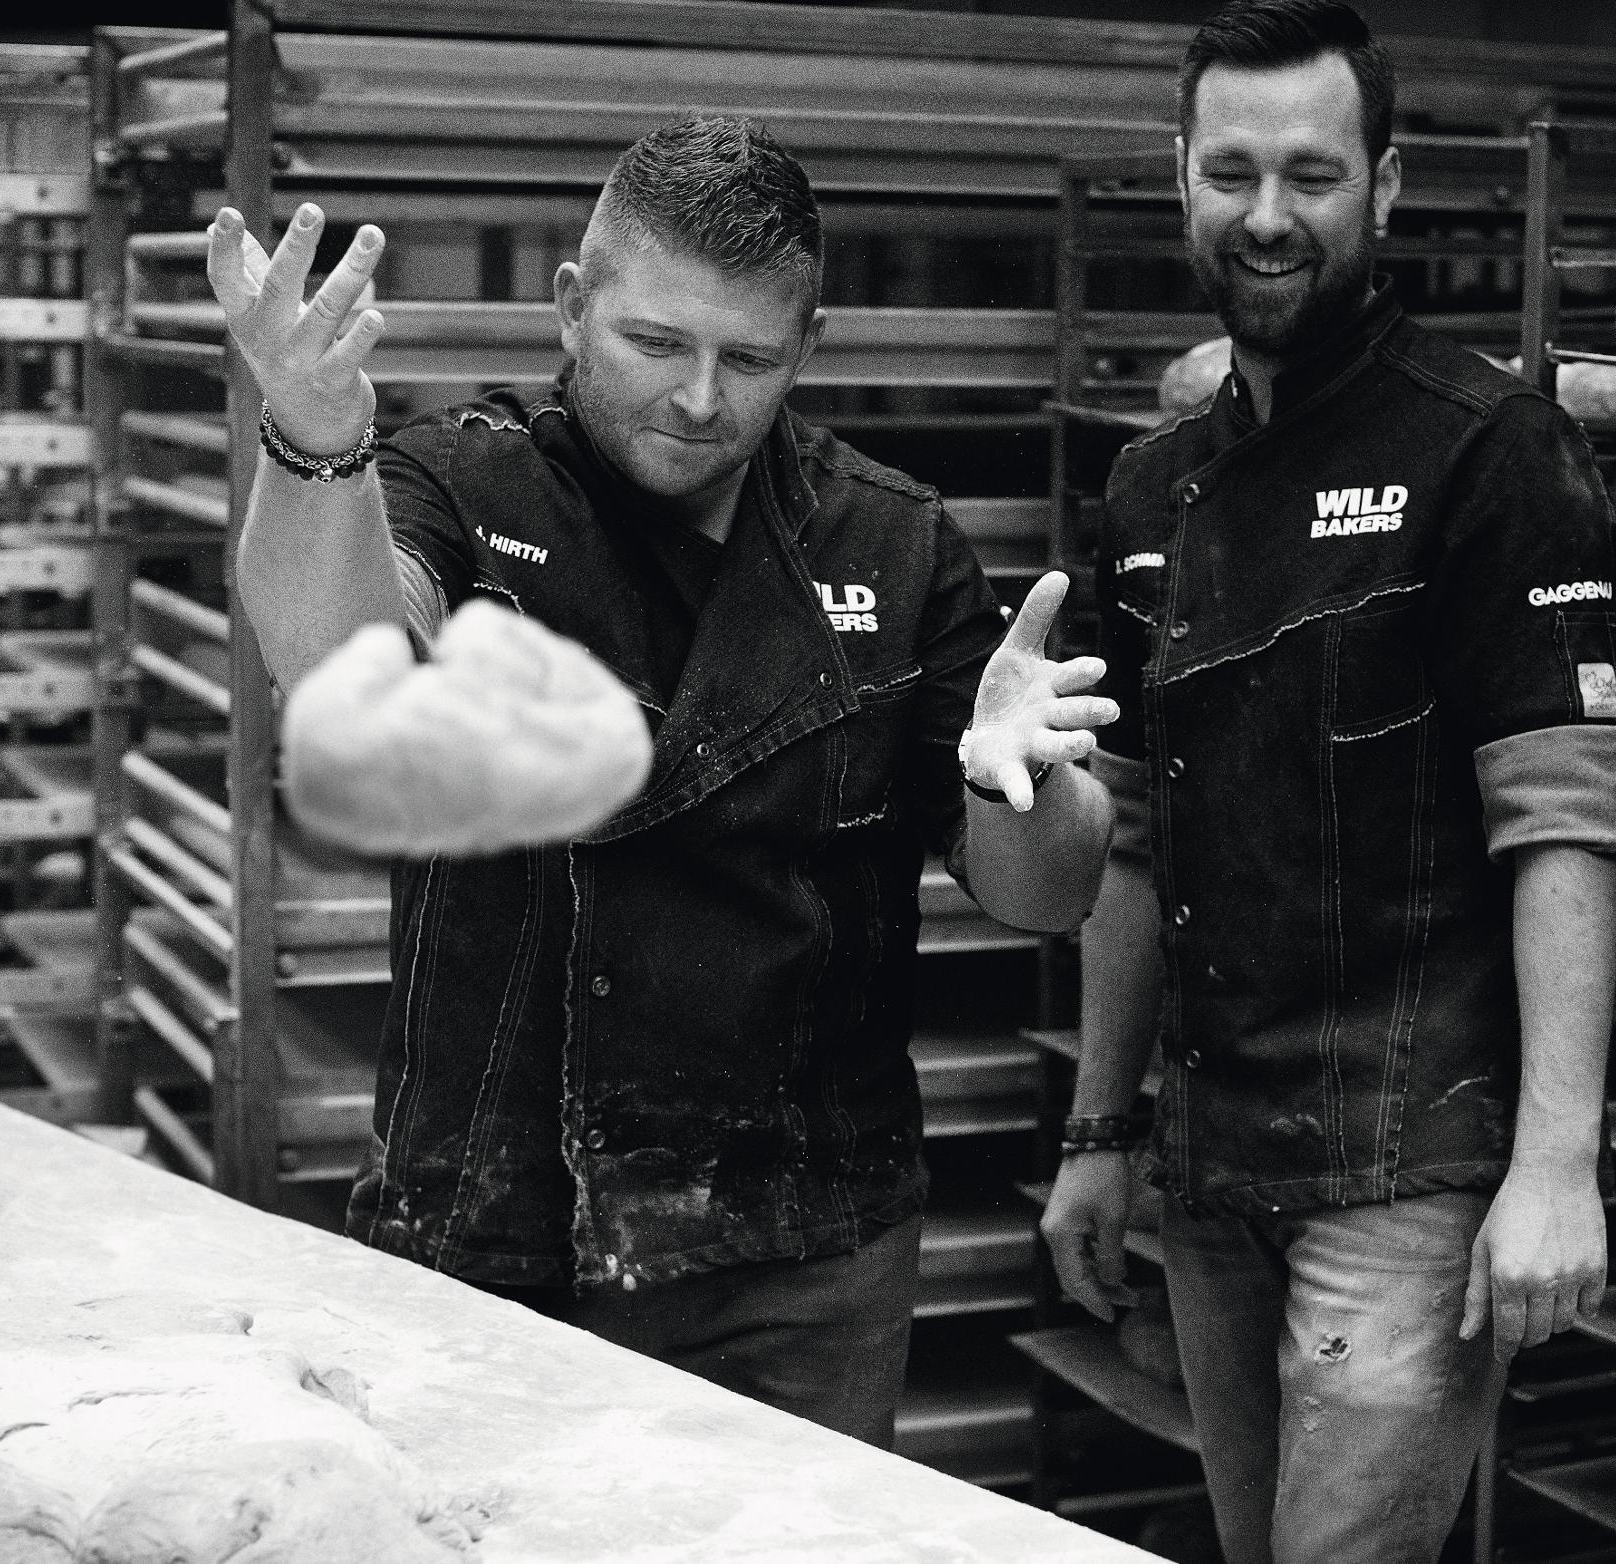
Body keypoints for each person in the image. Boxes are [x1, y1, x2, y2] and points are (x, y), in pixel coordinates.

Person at [208, 115, 1118, 1448]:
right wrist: (311, 438)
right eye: (655, 343)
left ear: (810, 345)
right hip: (495, 1228)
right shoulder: (464, 481)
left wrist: (1020, 783)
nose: (698, 399)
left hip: (806, 1257)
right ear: (572, 306)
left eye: (748, 359)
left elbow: (1047, 894)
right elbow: (340, 662)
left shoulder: (897, 544)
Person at [1037, 3, 1616, 1559]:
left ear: (1388, 182)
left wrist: (1556, 1163)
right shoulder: (1150, 489)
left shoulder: (1492, 450)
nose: (1266, 216)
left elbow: (1564, 821)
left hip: (1406, 1174)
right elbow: (1135, 842)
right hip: (1211, 1165)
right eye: (1230, 172)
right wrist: (1100, 1131)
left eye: (1311, 174)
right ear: (1179, 173)